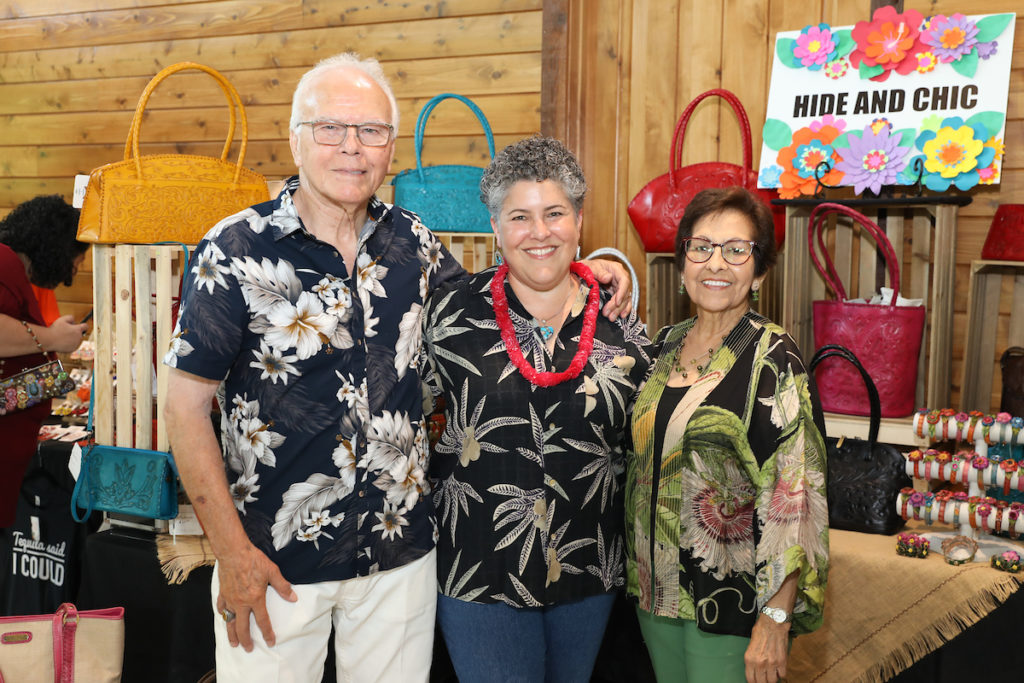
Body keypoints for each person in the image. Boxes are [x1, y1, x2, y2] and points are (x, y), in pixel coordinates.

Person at [162, 53, 633, 682]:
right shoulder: (235, 250)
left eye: (372, 132)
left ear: (391, 149)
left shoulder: (414, 242)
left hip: (400, 558)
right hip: (274, 560)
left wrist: (599, 268)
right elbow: (183, 406)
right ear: (296, 139)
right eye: (331, 128)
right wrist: (231, 552)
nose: (352, 148)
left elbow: (504, 301)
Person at [421, 136, 652, 682]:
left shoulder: (624, 328)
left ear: (578, 218)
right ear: (495, 227)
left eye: (554, 213)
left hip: (589, 570)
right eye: (519, 217)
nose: (540, 232)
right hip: (480, 569)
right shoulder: (449, 314)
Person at [625, 187, 829, 683]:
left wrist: (775, 618)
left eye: (736, 250)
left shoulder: (774, 357)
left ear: (759, 271)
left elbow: (797, 497)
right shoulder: (661, 348)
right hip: (656, 592)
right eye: (702, 247)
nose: (716, 263)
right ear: (682, 263)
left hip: (734, 604)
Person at [0, 195, 89, 527]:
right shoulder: (4, 261)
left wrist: (48, 380)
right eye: (76, 261)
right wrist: (52, 339)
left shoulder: (12, 270)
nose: (73, 273)